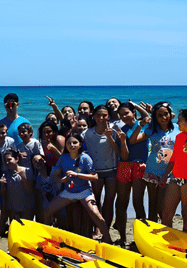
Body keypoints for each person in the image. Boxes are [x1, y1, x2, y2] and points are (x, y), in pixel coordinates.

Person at [43, 133, 112, 243]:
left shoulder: (85, 157)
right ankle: (47, 237)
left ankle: (108, 239)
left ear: (80, 144)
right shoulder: (63, 158)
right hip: (68, 191)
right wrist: (62, 180)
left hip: (84, 191)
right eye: (69, 143)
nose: (71, 145)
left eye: (75, 142)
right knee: (47, 212)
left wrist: (77, 175)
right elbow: (55, 176)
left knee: (96, 215)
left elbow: (95, 177)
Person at [128, 101, 179, 221]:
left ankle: (164, 230)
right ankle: (152, 232)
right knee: (153, 204)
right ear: (155, 117)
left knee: (165, 207)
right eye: (159, 115)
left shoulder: (178, 128)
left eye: (165, 114)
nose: (163, 117)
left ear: (170, 114)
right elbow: (133, 140)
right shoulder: (152, 129)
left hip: (172, 172)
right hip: (153, 170)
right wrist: (141, 125)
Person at [114, 102, 149, 242]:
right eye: (121, 114)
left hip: (140, 165)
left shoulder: (144, 125)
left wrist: (136, 105)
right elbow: (123, 156)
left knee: (137, 202)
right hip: (124, 166)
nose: (124, 116)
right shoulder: (120, 129)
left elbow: (147, 117)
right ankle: (122, 238)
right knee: (122, 202)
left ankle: (142, 239)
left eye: (126, 113)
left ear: (133, 112)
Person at [161, 109, 187, 230]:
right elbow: (174, 158)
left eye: (180, 120)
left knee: (186, 215)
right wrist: (165, 175)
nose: (177, 122)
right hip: (175, 178)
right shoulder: (180, 136)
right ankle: (166, 245)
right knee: (166, 214)